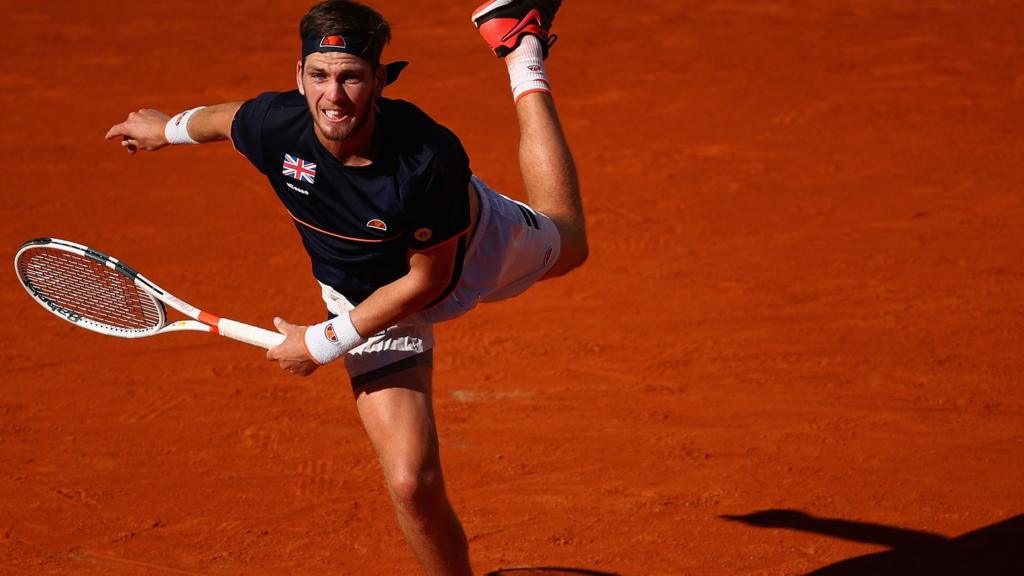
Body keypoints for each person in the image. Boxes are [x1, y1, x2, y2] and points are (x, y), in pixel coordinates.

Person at [105, 1, 586, 574]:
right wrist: (167, 129)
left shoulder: (428, 158)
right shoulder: (274, 125)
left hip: (470, 253)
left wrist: (322, 343)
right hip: (363, 303)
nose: (333, 96)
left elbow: (426, 280)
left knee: (570, 241)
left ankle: (521, 51)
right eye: (319, 75)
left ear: (379, 79)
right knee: (411, 482)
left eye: (351, 76)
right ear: (299, 76)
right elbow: (223, 119)